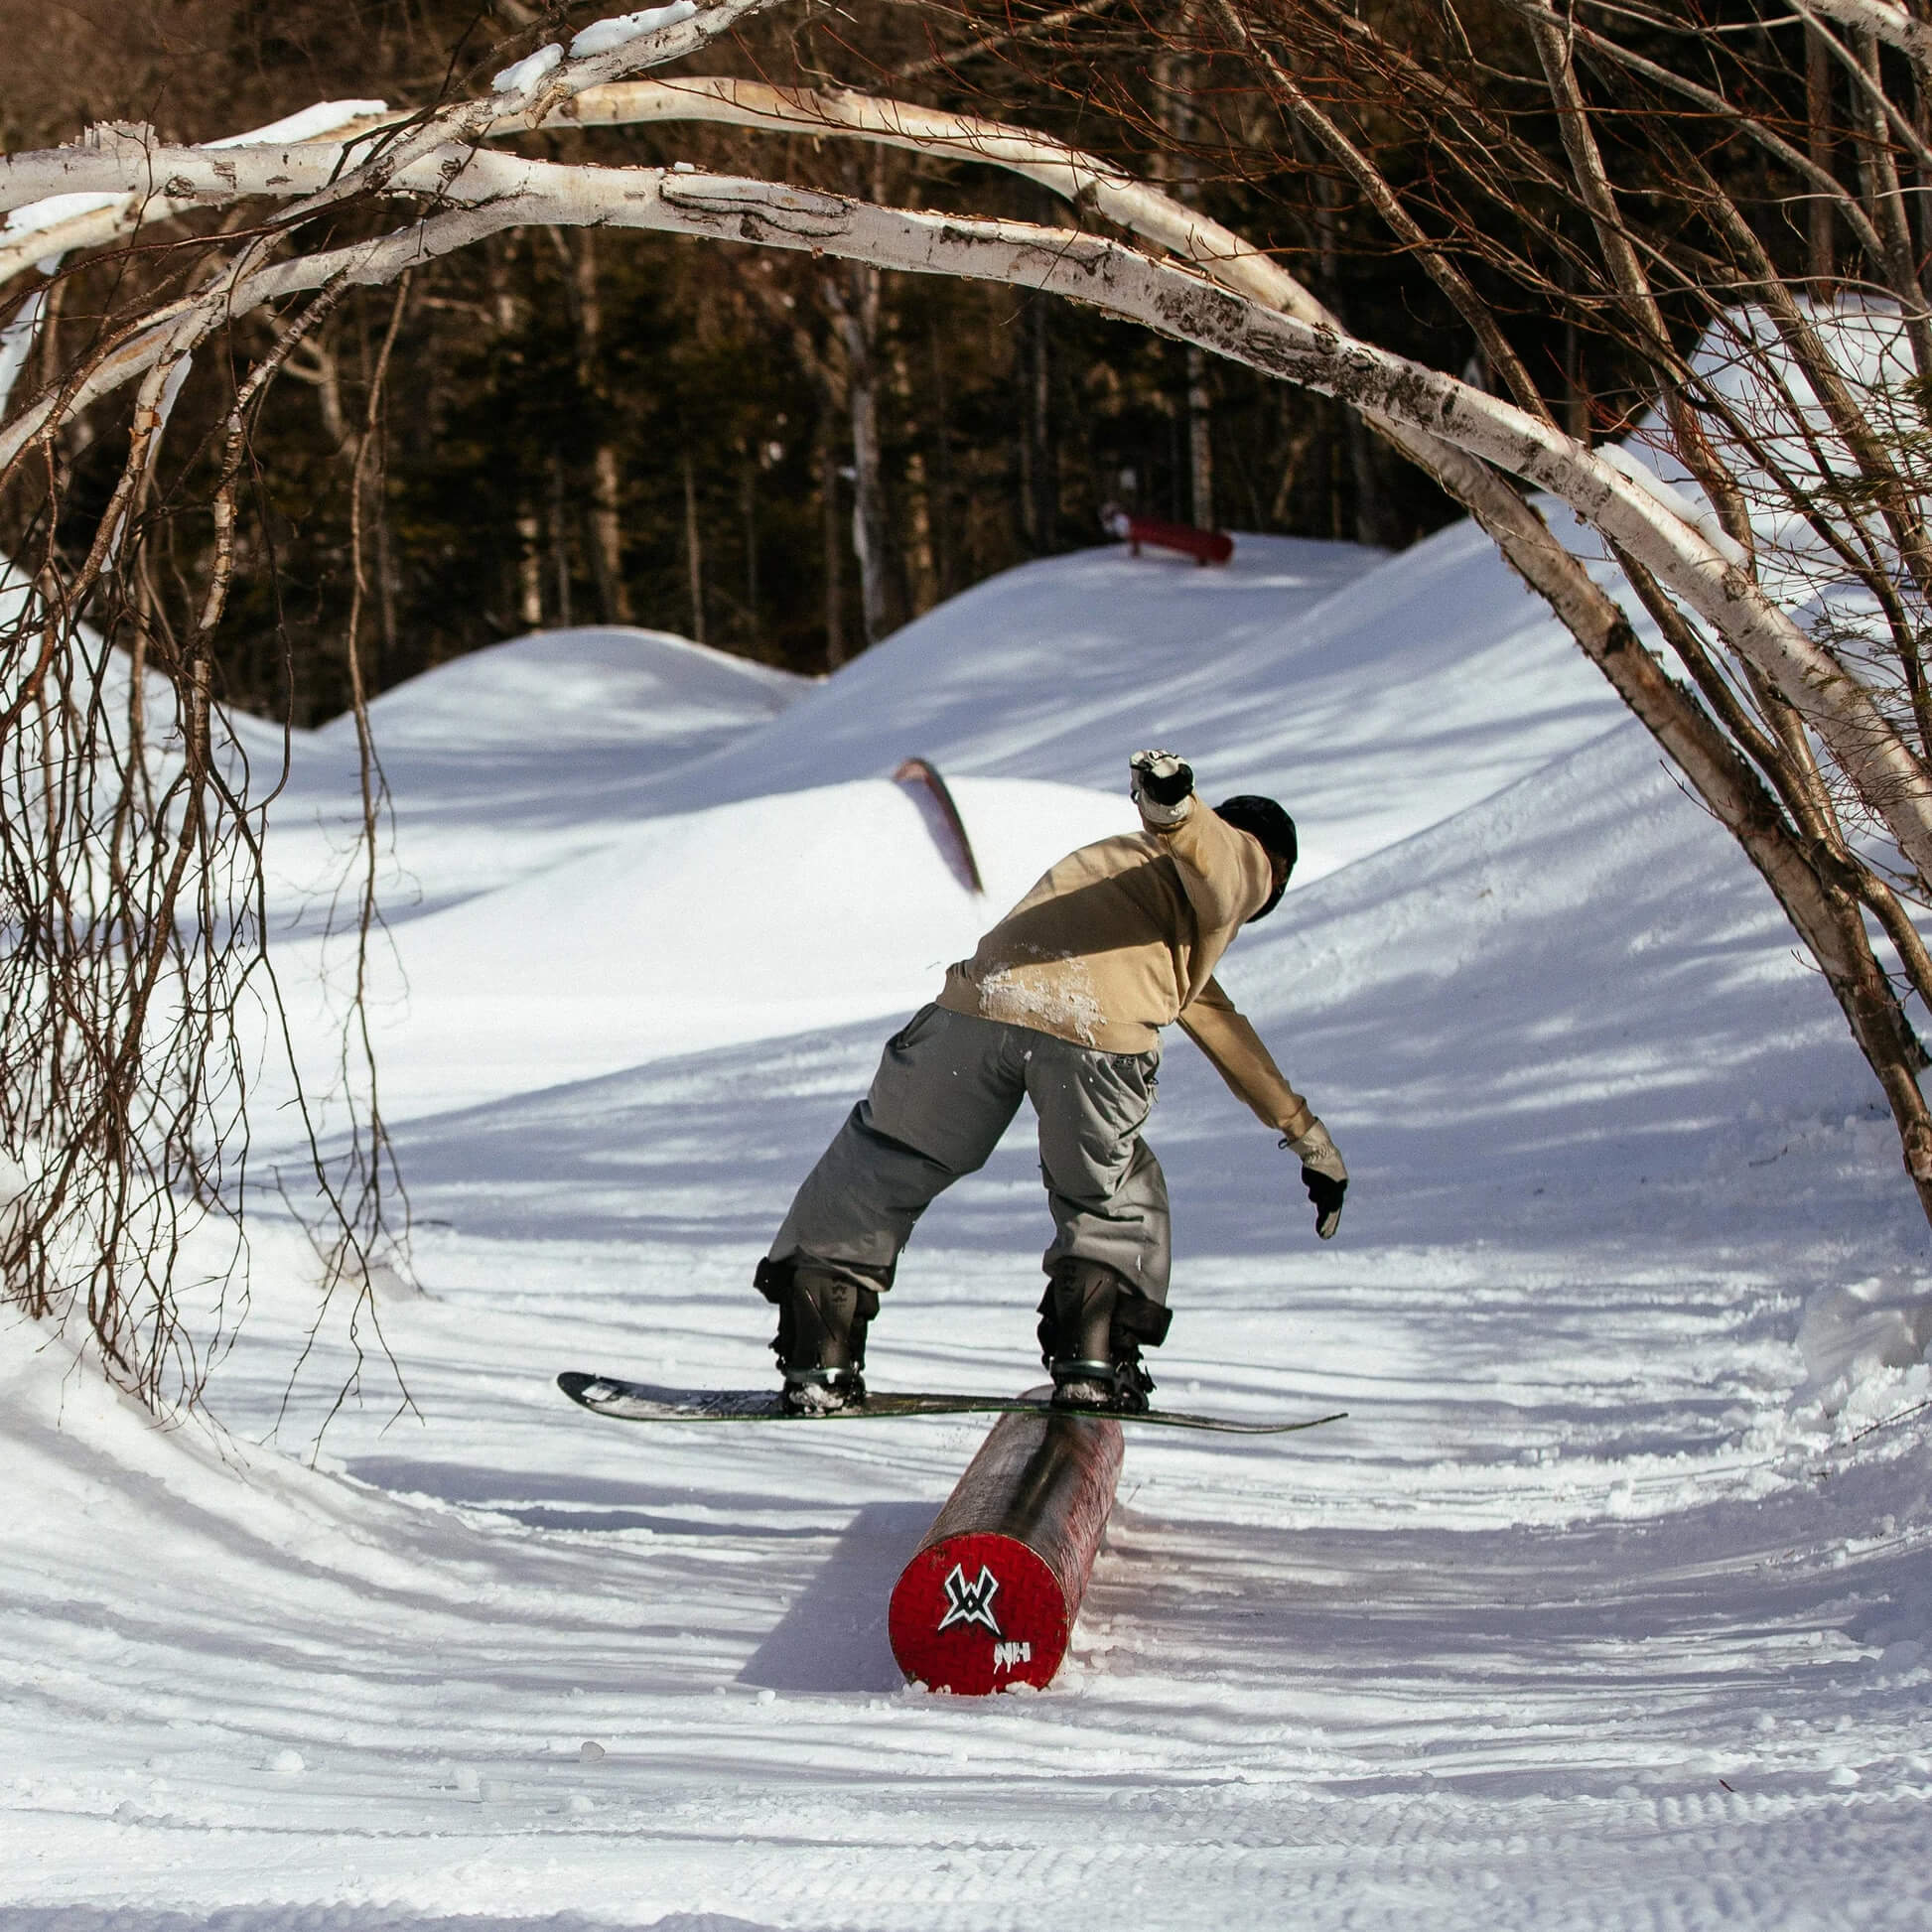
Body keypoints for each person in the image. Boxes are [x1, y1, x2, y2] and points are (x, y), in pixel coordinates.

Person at [754, 750, 1348, 1414]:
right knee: (1110, 1192)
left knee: (886, 1158)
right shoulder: (1239, 857)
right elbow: (1228, 863)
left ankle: (819, 1351)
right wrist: (1175, 807)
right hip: (1095, 1029)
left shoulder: (1133, 882)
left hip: (980, 1006)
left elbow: (1223, 1028)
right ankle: (1092, 1360)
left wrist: (1308, 1138)